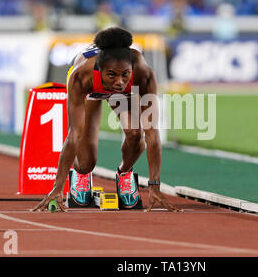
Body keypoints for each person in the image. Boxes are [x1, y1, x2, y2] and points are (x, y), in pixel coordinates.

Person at [32, 27, 181, 213]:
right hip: (92, 92)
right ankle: (80, 174)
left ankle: (125, 173)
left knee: (136, 135)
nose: (119, 81)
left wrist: (154, 185)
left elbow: (152, 132)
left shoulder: (143, 73)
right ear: (100, 69)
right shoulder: (81, 75)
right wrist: (58, 187)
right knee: (86, 163)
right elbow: (74, 134)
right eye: (112, 74)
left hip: (125, 95)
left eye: (125, 74)